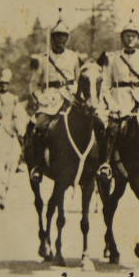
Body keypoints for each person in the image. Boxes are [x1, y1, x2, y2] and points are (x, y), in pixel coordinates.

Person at [97, 17, 139, 179]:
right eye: (127, 36)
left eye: (133, 36)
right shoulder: (112, 58)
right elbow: (105, 85)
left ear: (138, 38)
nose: (130, 39)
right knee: (112, 128)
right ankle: (106, 163)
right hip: (119, 101)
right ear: (122, 38)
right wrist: (112, 103)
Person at [28, 20, 82, 182]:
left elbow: (79, 79)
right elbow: (33, 84)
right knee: (39, 127)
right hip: (50, 98)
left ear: (67, 38)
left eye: (63, 37)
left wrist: (77, 93)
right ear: (52, 38)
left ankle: (92, 163)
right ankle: (38, 165)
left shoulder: (73, 57)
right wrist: (39, 97)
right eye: (57, 36)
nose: (60, 40)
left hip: (70, 96)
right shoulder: (44, 59)